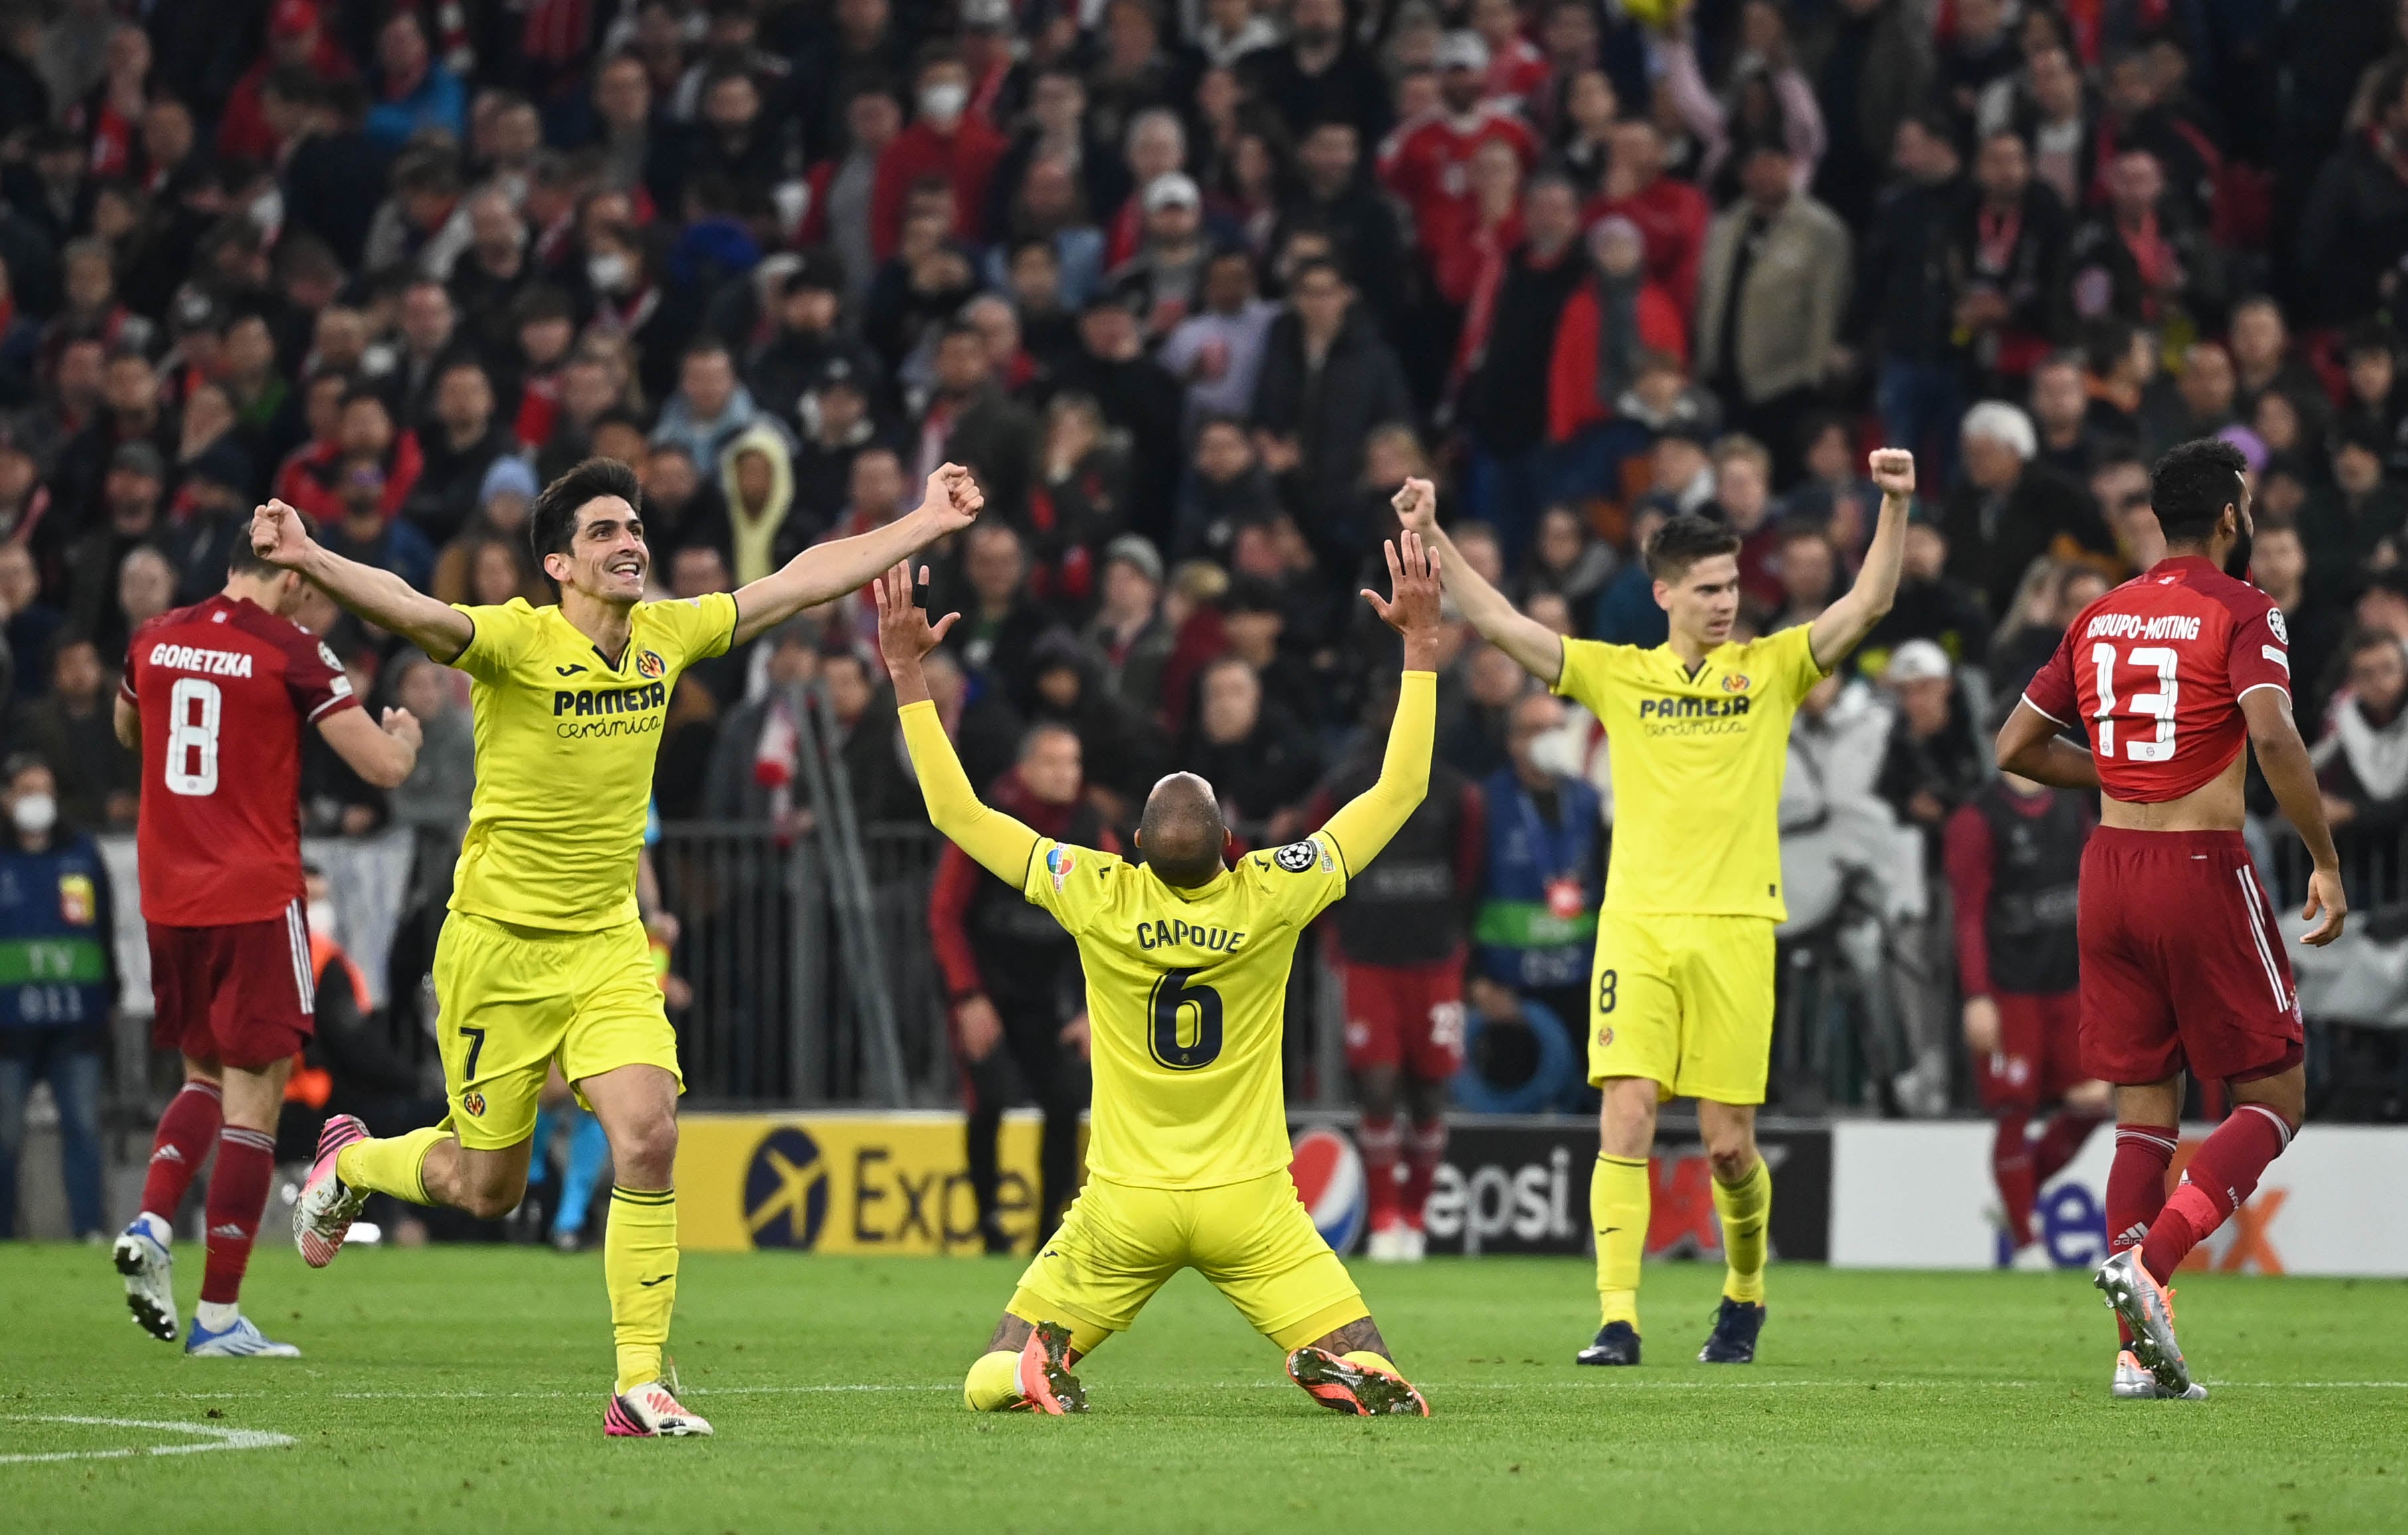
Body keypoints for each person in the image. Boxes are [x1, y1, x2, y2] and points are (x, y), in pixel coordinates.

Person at [268, 455, 986, 1436]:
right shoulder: (515, 642)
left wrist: (922, 520)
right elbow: (412, 610)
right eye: (605, 531)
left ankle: (637, 1381)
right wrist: (313, 554)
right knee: (488, 1186)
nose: (630, 542)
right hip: (497, 950)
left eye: (634, 526)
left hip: (608, 942)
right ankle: (352, 1166)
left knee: (648, 1135)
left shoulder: (665, 635)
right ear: (558, 564)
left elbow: (802, 577)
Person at [881, 522, 1445, 1419]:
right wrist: (1420, 646)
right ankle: (1333, 1360)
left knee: (987, 1375)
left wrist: (908, 675)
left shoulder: (1094, 887)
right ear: (1232, 845)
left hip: (1124, 1203)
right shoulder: (1272, 889)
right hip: (1252, 1203)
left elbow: (954, 810)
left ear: (1135, 847)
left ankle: (1037, 1366)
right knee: (1382, 1370)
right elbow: (1402, 786)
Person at [1398, 449, 1914, 1367]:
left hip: (1737, 929)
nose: (1726, 602)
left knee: (1727, 1147)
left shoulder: (1772, 669)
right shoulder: (1616, 674)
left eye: (1731, 586)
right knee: (1626, 1113)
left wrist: (1894, 505)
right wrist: (1433, 534)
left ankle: (1745, 1293)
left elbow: (1867, 604)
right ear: (1665, 593)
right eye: (1708, 588)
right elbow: (1502, 623)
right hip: (1635, 926)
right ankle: (1617, 1318)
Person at [1996, 437, 2348, 1402]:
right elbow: (2271, 728)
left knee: (2141, 1119)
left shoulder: (2100, 614)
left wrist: (2117, 776)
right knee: (2275, 1099)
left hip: (2107, 871)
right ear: (2232, 520)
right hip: (2199, 868)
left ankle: (2131, 1354)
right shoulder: (2244, 608)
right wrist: (2324, 858)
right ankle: (2153, 1261)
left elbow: (2016, 745)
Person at [109, 534, 423, 1356]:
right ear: (286, 574)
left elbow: (126, 727)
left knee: (201, 1073)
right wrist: (407, 739)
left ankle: (150, 1218)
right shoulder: (290, 650)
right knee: (257, 1097)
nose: (309, 597)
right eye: (307, 581)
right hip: (253, 895)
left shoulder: (156, 634)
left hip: (169, 896)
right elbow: (382, 769)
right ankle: (216, 1316)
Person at [1306, 679, 1484, 1261]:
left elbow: (1470, 871)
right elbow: (1312, 850)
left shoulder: (1457, 792)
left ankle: (1417, 1218)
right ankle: (1385, 1219)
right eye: (1390, 704)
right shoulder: (1346, 784)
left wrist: (1457, 939)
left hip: (1435, 961)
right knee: (1378, 1086)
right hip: (1368, 958)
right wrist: (1335, 930)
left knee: (1431, 1090)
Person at [926, 722, 1112, 1252]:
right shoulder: (991, 821)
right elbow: (945, 914)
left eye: (1072, 763)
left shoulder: (1092, 825)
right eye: (1053, 763)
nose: (1065, 774)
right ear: (1025, 768)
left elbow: (1116, 917)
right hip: (989, 986)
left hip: (1056, 992)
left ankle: (1051, 1231)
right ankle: (988, 1226)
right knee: (988, 1100)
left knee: (1064, 1101)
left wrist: (1092, 1007)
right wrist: (967, 997)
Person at [1944, 743, 2106, 1270]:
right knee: (2016, 1107)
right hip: (2010, 988)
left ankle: (2015, 1193)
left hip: (2067, 982)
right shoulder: (1976, 819)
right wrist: (1977, 997)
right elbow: (1968, 914)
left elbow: (2092, 887)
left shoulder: (2071, 805)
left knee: (2091, 1103)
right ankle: (2025, 1240)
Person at [0, 755, 115, 1241]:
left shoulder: (83, 854)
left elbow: (105, 931)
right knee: (4, 1138)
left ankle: (90, 1232)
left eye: (44, 790)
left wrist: (109, 998)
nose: (37, 801)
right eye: (27, 790)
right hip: (7, 1027)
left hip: (77, 1022)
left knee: (84, 1130)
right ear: (6, 797)